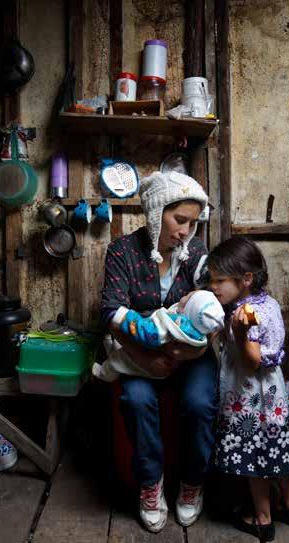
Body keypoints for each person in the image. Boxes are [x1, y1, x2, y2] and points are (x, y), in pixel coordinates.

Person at [100, 171, 219, 532]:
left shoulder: (196, 253)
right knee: (136, 400)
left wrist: (192, 354)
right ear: (155, 212)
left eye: (192, 223)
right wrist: (144, 357)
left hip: (191, 353)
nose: (185, 230)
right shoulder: (122, 251)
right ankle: (150, 485)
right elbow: (110, 311)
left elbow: (214, 309)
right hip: (140, 352)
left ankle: (192, 484)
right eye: (178, 219)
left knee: (200, 403)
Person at [207, 237, 289, 542]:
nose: (213, 287)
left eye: (219, 280)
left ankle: (262, 518)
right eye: (211, 280)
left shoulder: (246, 314)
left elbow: (252, 362)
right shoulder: (268, 302)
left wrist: (237, 331)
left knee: (255, 459)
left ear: (245, 279)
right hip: (273, 399)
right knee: (276, 451)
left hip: (251, 401)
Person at [94, 289, 224, 382]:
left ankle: (102, 373)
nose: (184, 296)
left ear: (187, 311)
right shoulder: (198, 331)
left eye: (188, 297)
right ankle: (110, 345)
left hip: (152, 362)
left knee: (118, 361)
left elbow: (142, 330)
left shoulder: (169, 329)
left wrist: (121, 316)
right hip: (165, 360)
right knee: (119, 346)